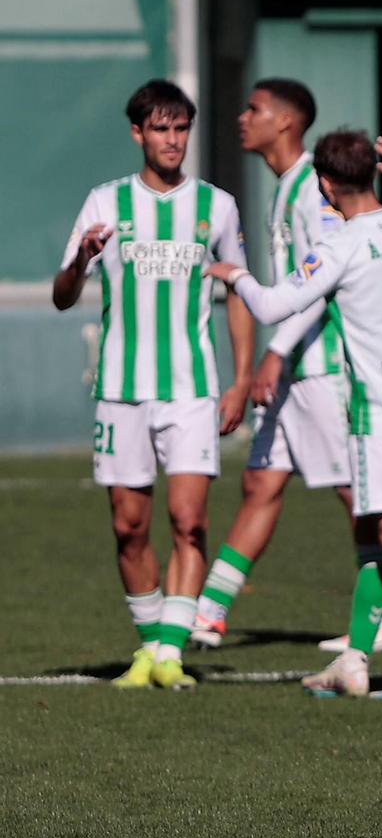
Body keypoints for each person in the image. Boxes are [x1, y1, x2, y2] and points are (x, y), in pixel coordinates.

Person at [208, 129, 382, 699]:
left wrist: (233, 274)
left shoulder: (342, 244)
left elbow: (271, 304)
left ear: (324, 183)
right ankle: (355, 661)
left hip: (378, 408)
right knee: (378, 532)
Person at [53, 79, 253, 690]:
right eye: (160, 129)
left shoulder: (216, 206)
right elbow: (63, 298)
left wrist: (242, 378)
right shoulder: (104, 203)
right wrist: (81, 259)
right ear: (137, 132)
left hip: (192, 389)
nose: (172, 140)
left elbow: (238, 290)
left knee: (189, 520)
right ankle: (151, 647)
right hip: (120, 390)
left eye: (181, 128)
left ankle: (168, 654)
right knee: (128, 526)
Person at [191, 79, 382, 649]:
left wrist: (275, 350)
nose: (242, 117)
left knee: (357, 492)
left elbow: (325, 285)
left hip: (325, 369)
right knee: (260, 483)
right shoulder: (287, 187)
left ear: (285, 122)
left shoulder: (314, 187)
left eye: (253, 109)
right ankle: (208, 611)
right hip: (293, 372)